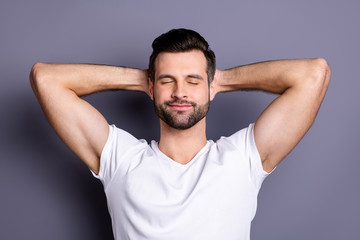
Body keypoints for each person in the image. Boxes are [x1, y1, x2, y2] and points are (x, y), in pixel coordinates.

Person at [30, 28, 330, 240]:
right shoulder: (120, 159)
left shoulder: (243, 159)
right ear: (151, 87)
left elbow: (313, 74)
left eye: (192, 81)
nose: (180, 92)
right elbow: (45, 79)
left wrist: (220, 80)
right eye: (167, 81)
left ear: (211, 87)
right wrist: (144, 79)